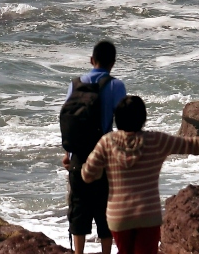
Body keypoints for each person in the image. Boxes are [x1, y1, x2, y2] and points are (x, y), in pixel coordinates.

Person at [81, 96, 199, 254]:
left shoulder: (107, 142)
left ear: (117, 119)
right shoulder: (156, 140)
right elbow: (192, 144)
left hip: (119, 215)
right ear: (143, 118)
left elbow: (88, 174)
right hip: (148, 214)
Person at [62, 41, 127, 254]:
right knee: (105, 212)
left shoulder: (75, 84)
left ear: (92, 60)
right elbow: (124, 124)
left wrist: (69, 154)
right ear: (113, 63)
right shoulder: (116, 86)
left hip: (77, 158)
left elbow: (70, 120)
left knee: (79, 210)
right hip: (104, 158)